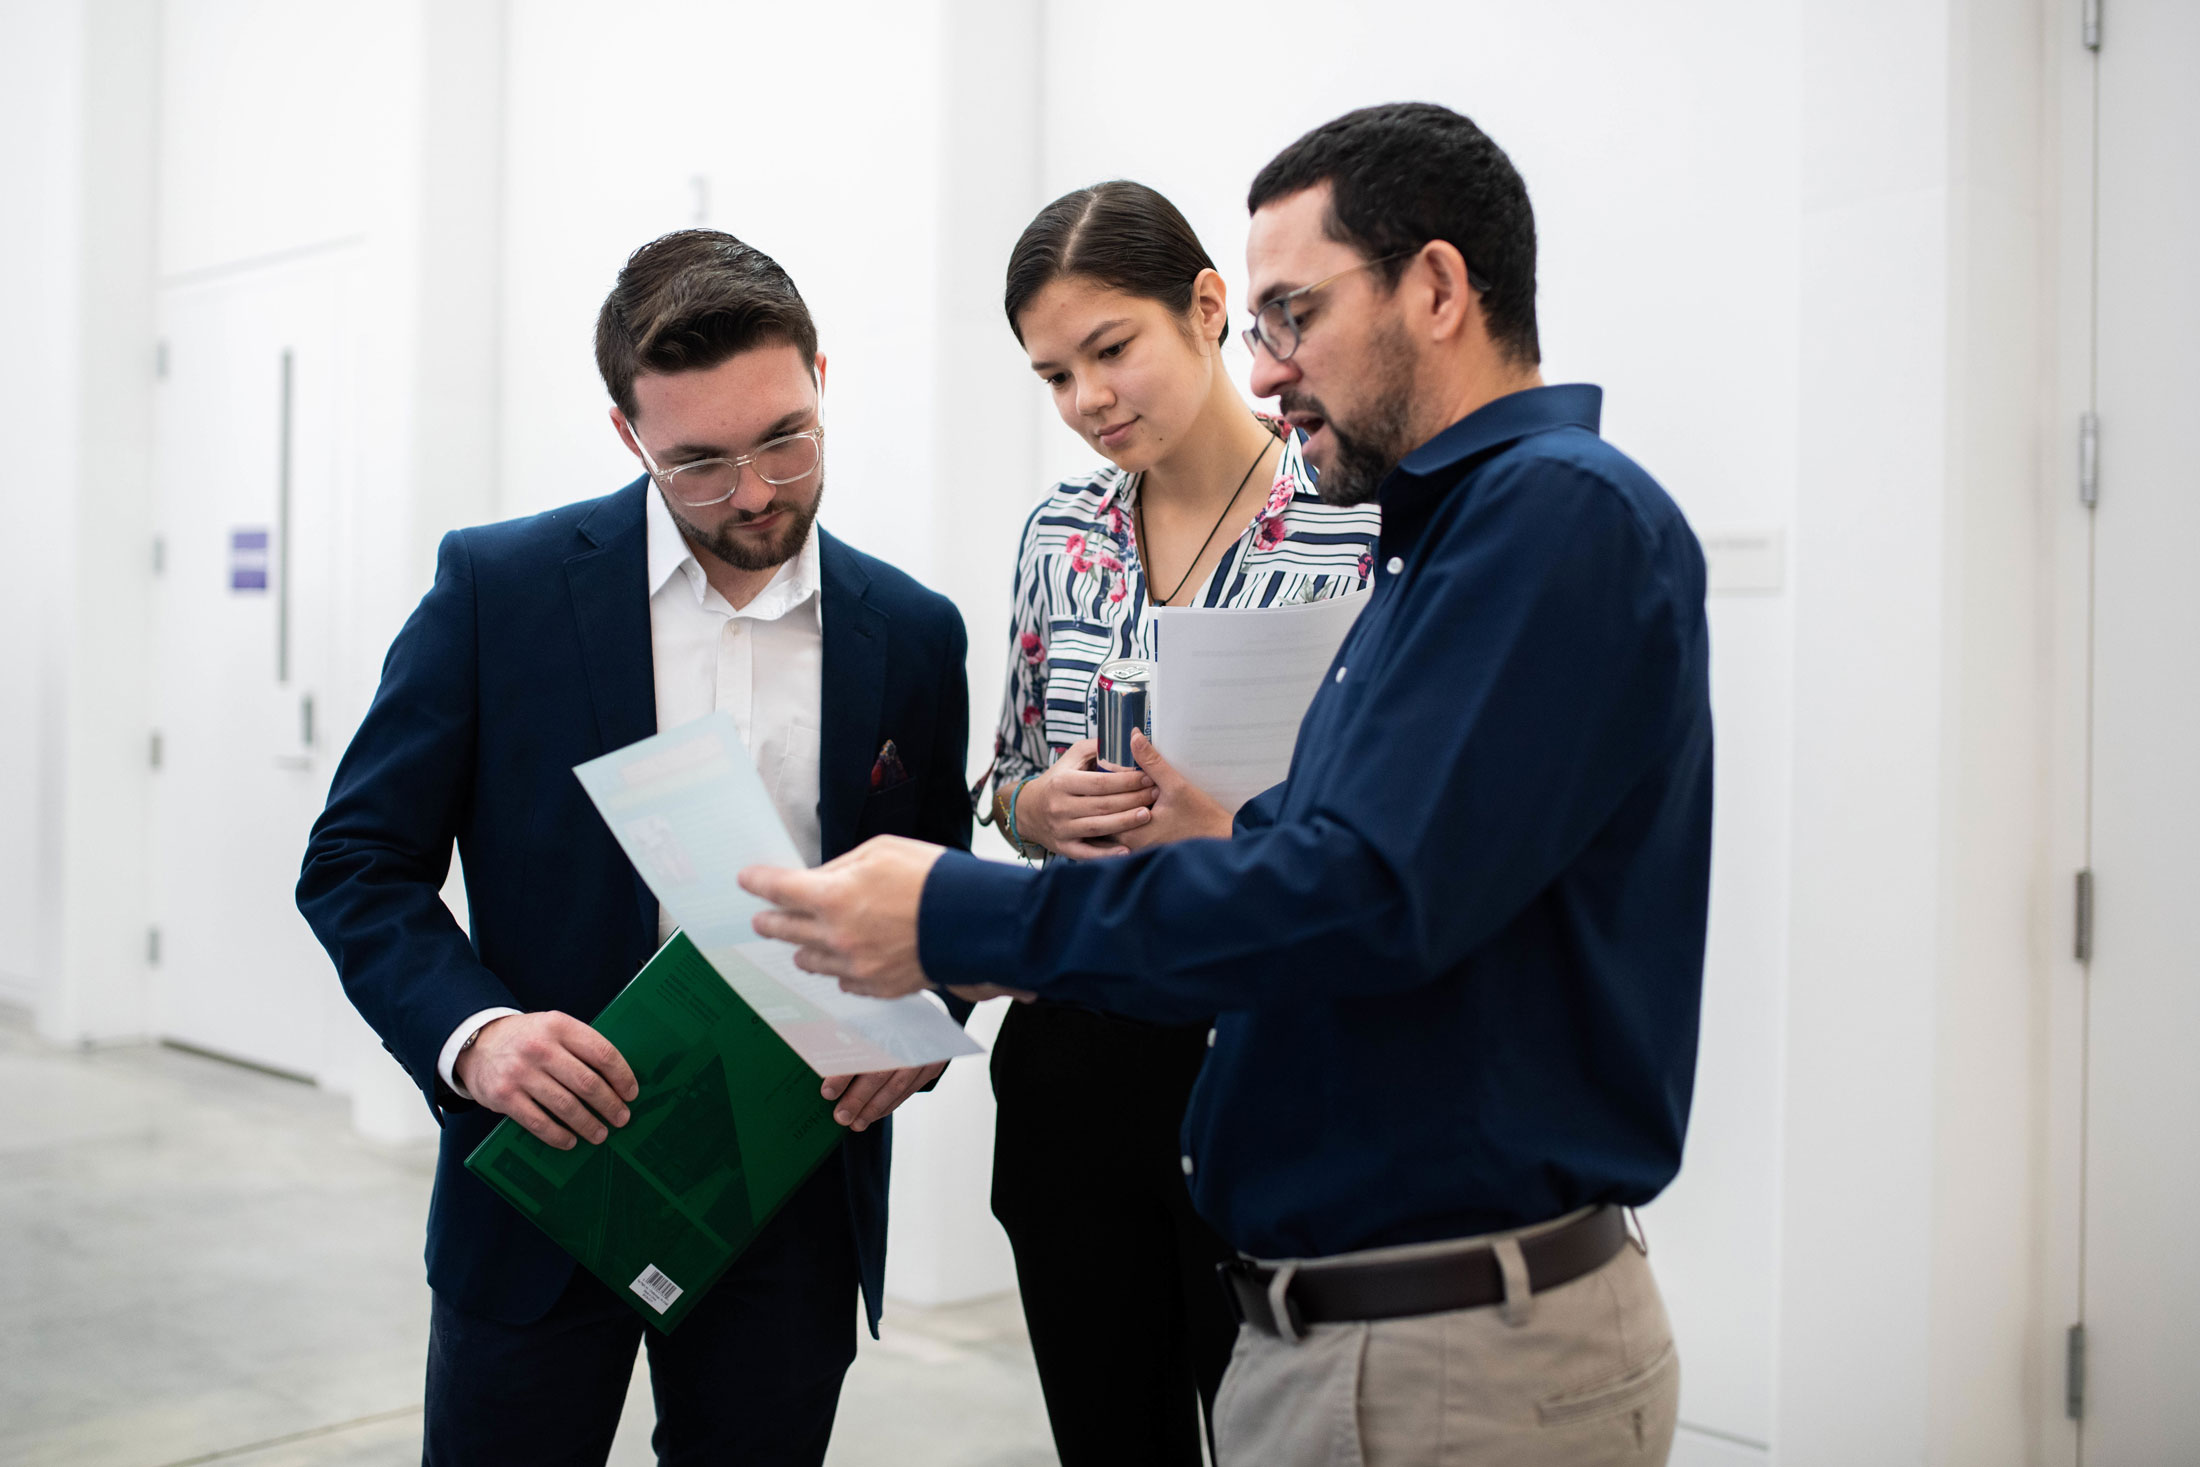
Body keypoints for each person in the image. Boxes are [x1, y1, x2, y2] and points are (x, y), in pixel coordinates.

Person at [742, 102, 1713, 1467]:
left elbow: (1363, 889)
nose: (1270, 372)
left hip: (1437, 1332)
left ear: (1437, 288)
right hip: (1323, 1274)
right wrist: (1054, 823)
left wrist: (956, 915)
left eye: (1295, 315)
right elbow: (1365, 855)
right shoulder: (1462, 533)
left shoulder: (1544, 519)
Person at [296, 229, 972, 1466]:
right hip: (548, 1175)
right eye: (699, 465)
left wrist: (925, 1022)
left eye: (786, 438)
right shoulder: (500, 591)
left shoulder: (913, 635)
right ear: (627, 437)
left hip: (790, 1188)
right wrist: (477, 1036)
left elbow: (938, 892)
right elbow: (355, 862)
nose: (757, 492)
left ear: (822, 375)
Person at [981, 180, 1378, 1466]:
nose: (1089, 399)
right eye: (1054, 376)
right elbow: (1001, 778)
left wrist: (1230, 834)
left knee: (1279, 1433)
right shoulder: (1059, 531)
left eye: (1111, 350)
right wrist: (1034, 805)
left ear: (1209, 308)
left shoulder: (1352, 529)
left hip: (1263, 1059)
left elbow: (1382, 827)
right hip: (1076, 1054)